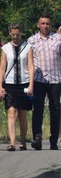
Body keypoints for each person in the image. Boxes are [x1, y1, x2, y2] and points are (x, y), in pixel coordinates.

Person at [27, 14, 61, 150]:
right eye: (43, 23)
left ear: (50, 25)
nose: (45, 26)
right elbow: (29, 62)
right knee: (38, 109)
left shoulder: (58, 39)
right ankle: (37, 137)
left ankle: (54, 139)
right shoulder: (32, 41)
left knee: (55, 109)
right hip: (39, 79)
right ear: (38, 25)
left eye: (47, 23)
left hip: (55, 79)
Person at [0, 23, 33, 151]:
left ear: (21, 33)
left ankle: (23, 140)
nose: (15, 36)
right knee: (12, 111)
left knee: (22, 114)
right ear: (10, 33)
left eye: (17, 34)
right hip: (10, 83)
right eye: (13, 34)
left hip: (24, 83)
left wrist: (31, 84)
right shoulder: (6, 48)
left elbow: (30, 66)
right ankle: (12, 142)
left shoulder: (28, 47)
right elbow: (2, 68)